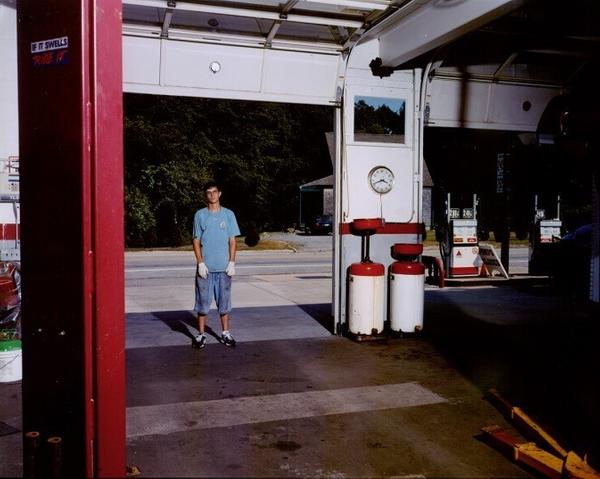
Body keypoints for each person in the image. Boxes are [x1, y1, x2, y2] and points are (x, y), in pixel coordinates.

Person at [192, 181, 241, 349]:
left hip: (224, 268)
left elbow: (232, 241)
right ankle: (201, 335)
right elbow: (196, 240)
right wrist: (200, 263)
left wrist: (232, 262)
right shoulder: (200, 215)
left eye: (214, 192)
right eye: (208, 192)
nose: (212, 195)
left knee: (224, 302)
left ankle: (225, 333)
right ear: (205, 195)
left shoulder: (228, 215)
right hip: (206, 269)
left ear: (220, 193)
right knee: (203, 303)